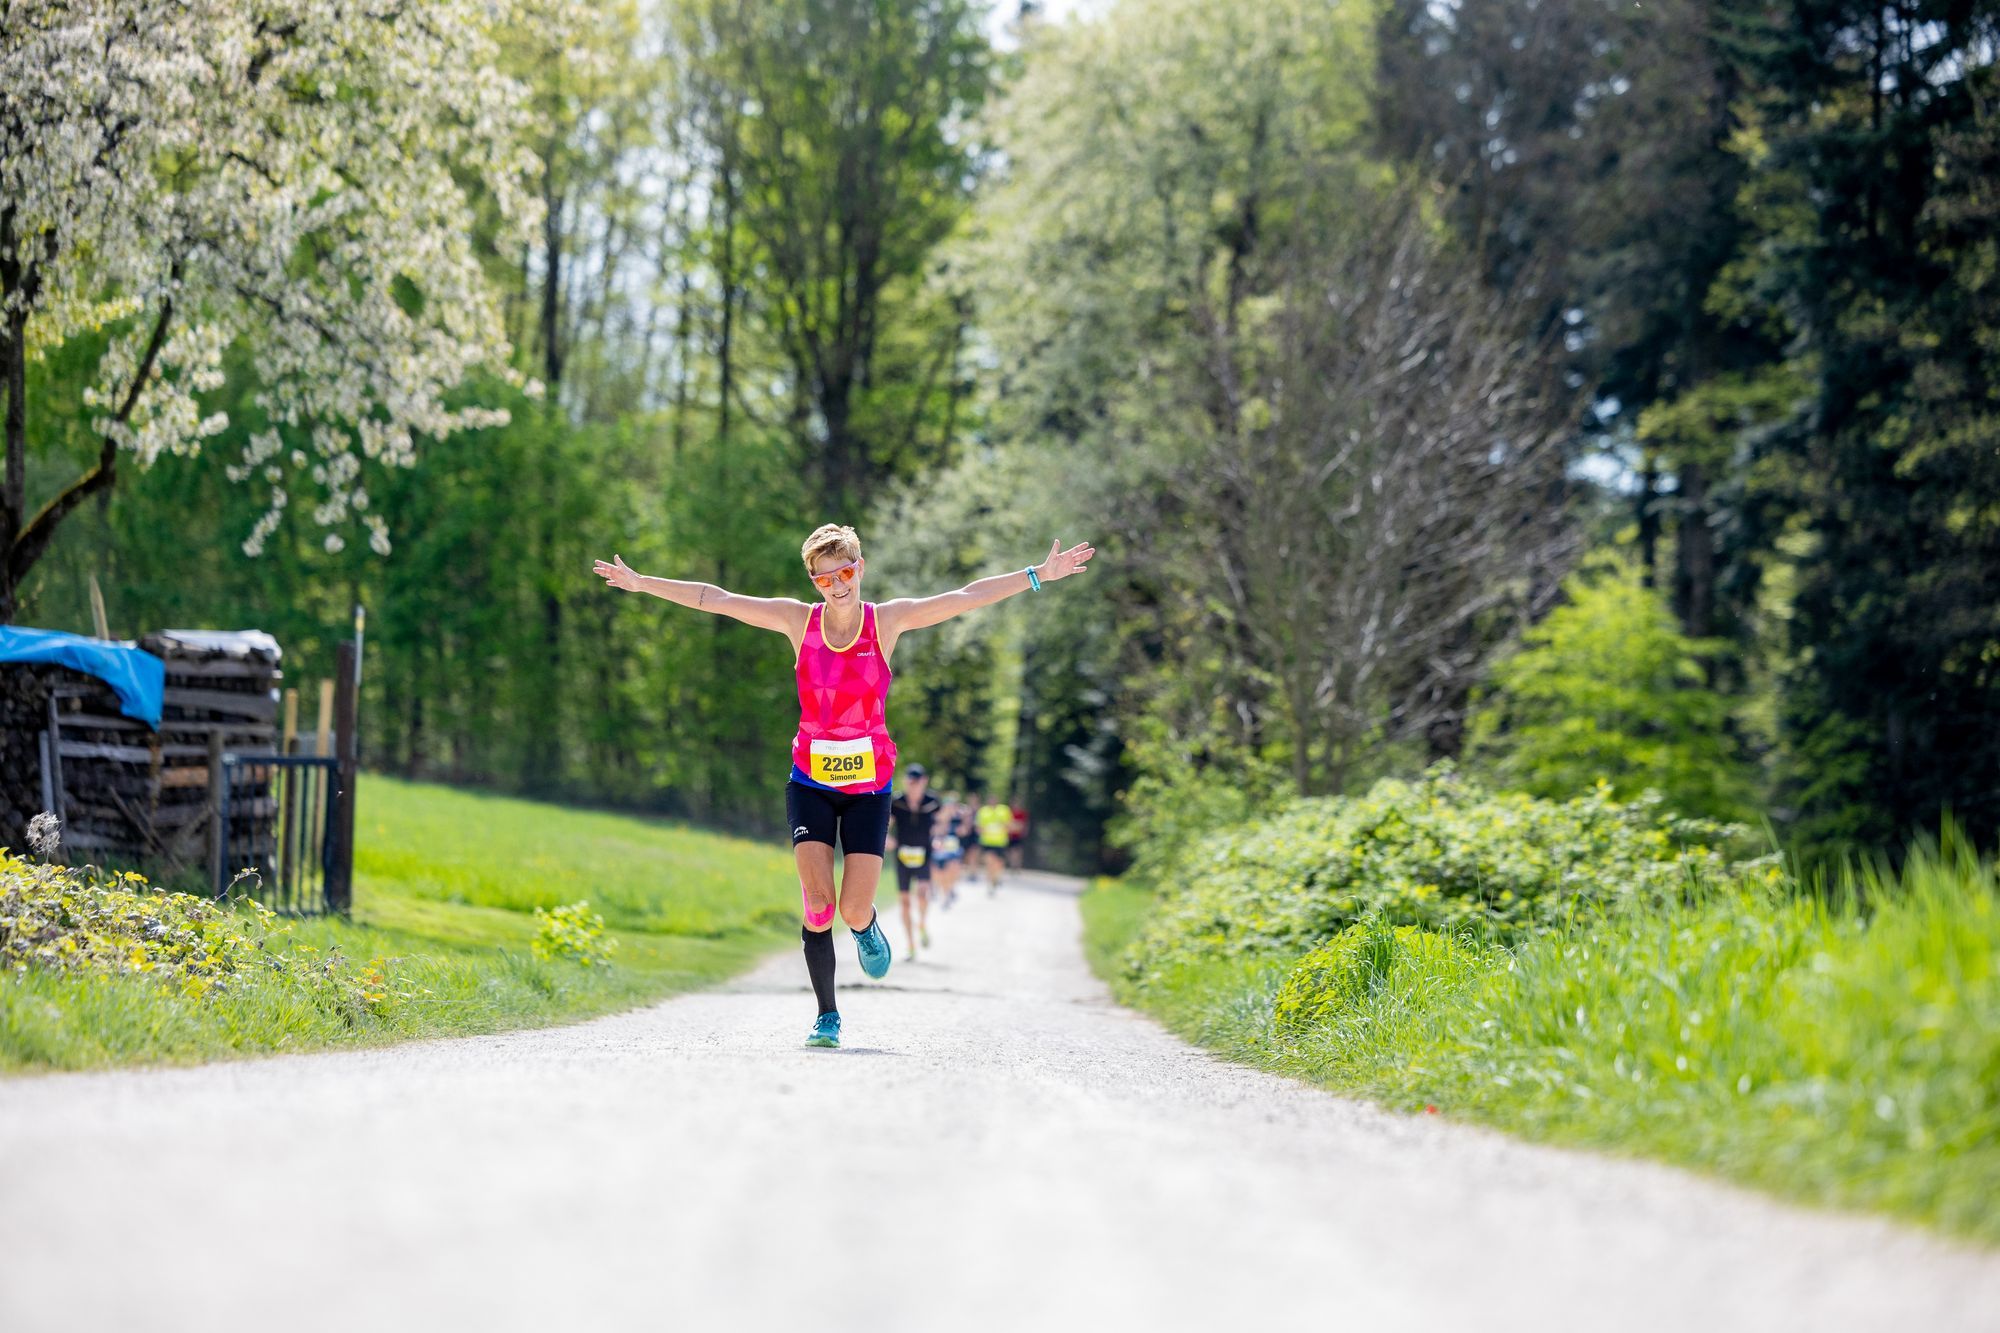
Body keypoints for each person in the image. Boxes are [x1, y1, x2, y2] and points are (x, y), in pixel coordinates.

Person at [595, 526, 1095, 1050]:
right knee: (817, 903)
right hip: (809, 781)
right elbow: (716, 599)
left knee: (852, 909)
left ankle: (867, 926)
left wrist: (1038, 574)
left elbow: (965, 597)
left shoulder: (887, 622)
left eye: (846, 572)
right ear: (813, 581)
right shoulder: (798, 621)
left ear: (862, 567)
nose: (837, 585)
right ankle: (827, 1016)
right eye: (824, 577)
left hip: (870, 788)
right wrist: (642, 584)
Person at [886, 764, 941, 960]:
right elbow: (887, 824)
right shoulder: (897, 801)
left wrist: (938, 838)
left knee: (923, 894)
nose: (913, 785)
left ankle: (923, 923)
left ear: (924, 782)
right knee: (905, 903)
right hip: (902, 856)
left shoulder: (932, 801)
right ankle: (910, 945)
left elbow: (940, 822)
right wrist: (886, 839)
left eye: (917, 782)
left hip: (924, 854)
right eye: (910, 782)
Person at [931, 792, 965, 908]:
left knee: (951, 871)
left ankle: (947, 895)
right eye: (947, 806)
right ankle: (944, 891)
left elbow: (964, 831)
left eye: (952, 806)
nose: (949, 809)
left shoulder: (957, 818)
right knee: (939, 874)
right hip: (938, 850)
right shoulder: (936, 818)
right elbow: (932, 832)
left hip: (953, 850)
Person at [975, 793, 1013, 894]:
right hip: (987, 842)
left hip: (1000, 842)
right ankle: (989, 883)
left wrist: (1000, 827)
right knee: (989, 862)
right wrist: (986, 829)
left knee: (998, 864)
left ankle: (996, 878)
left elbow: (1009, 825)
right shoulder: (983, 811)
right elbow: (978, 827)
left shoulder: (1004, 810)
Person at [1007, 799, 1030, 872]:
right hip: (1010, 836)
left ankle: (1017, 866)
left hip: (1018, 836)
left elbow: (1024, 824)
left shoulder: (1022, 813)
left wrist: (1024, 831)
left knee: (1018, 851)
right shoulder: (1009, 813)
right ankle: (1012, 866)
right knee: (1011, 851)